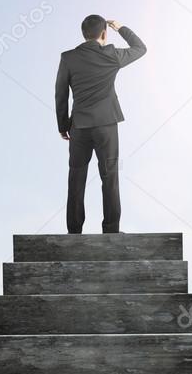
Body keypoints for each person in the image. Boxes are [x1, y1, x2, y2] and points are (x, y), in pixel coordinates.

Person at [55, 15, 147, 234]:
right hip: (106, 125)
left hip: (79, 126)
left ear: (83, 34)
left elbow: (60, 95)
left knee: (76, 177)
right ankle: (111, 230)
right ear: (104, 33)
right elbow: (140, 48)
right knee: (110, 177)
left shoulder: (68, 58)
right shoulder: (112, 55)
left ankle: (74, 232)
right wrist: (121, 28)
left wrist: (63, 125)